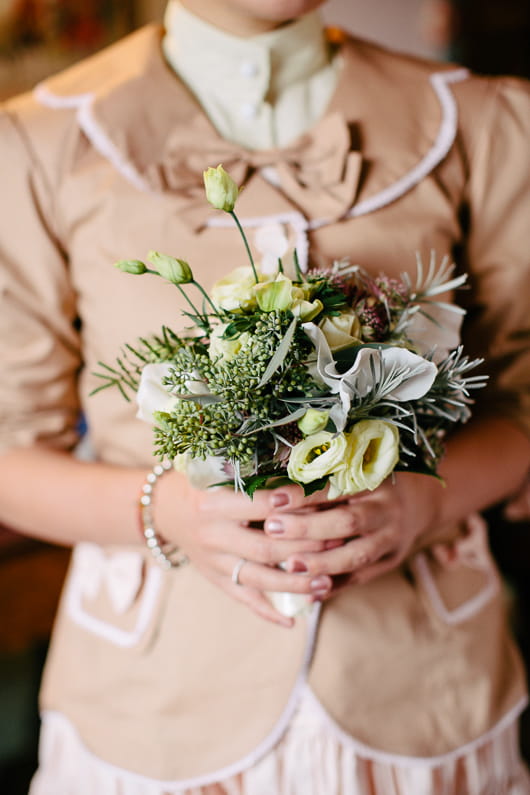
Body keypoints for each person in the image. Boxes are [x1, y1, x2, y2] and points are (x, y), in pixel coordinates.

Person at [0, 0, 529, 792]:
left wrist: (423, 503)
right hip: (153, 706)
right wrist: (167, 509)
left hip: (424, 697)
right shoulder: (33, 143)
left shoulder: (485, 120)